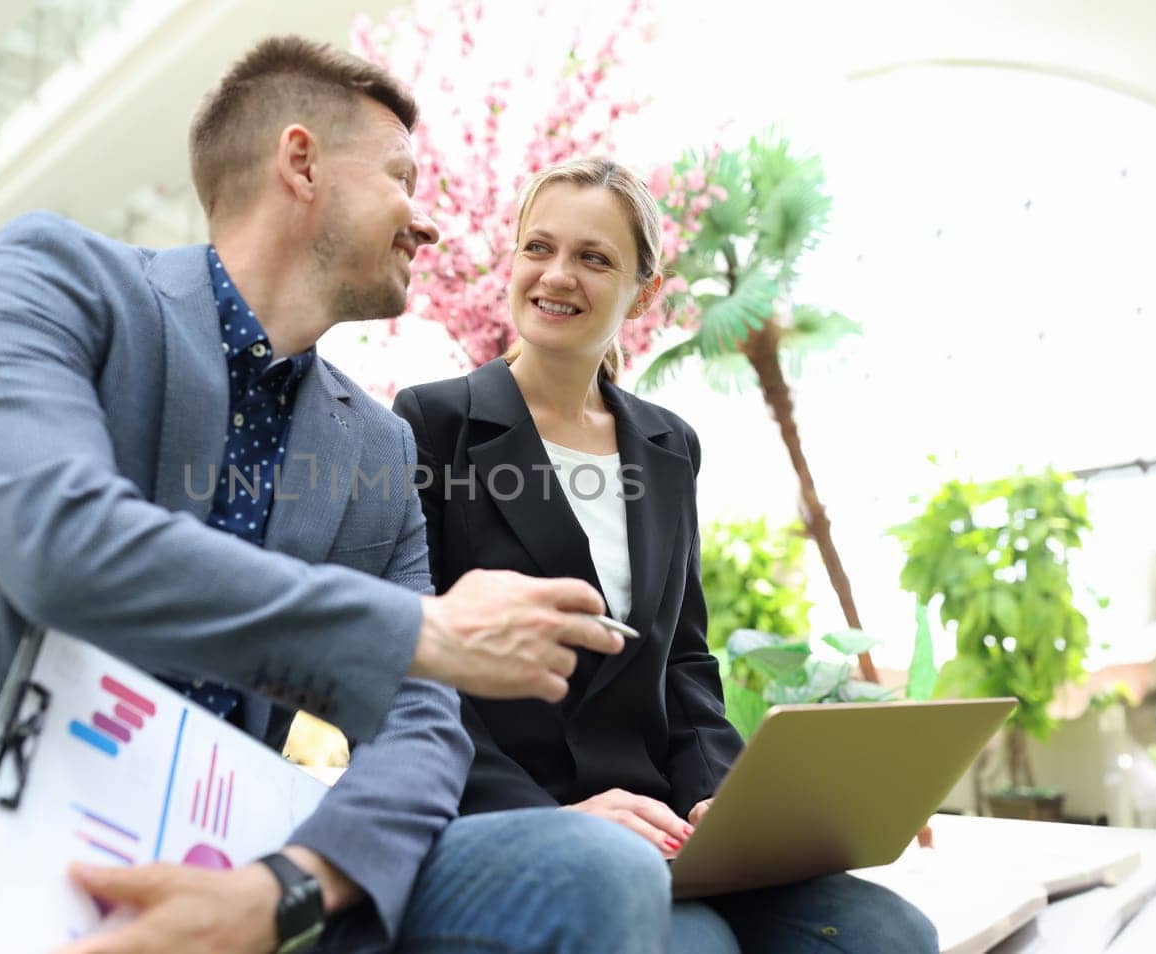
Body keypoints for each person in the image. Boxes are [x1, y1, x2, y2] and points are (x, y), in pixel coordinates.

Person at [0, 38, 654, 954]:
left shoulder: (376, 445)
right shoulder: (55, 280)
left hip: (236, 889)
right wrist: (425, 634)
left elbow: (422, 724)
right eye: (402, 178)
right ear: (301, 163)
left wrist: (285, 891)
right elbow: (61, 546)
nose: (428, 222)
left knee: (594, 868)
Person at [392, 157, 940, 952]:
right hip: (524, 816)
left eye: (593, 257)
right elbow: (417, 664)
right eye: (538, 248)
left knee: (887, 935)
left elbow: (683, 664)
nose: (556, 275)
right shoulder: (433, 423)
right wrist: (551, 821)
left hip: (667, 828)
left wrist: (724, 802)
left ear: (644, 294)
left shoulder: (667, 446)